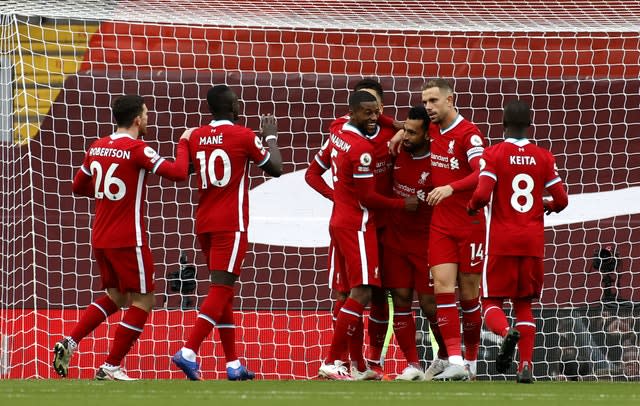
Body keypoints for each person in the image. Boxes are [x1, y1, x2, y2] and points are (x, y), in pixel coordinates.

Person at [52, 94, 192, 380]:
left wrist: (109, 196)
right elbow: (178, 173)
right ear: (137, 119)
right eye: (146, 114)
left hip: (101, 236)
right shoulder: (139, 149)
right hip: (129, 238)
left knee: (115, 296)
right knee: (144, 300)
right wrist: (184, 142)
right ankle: (111, 365)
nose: (148, 118)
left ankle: (70, 342)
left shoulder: (97, 146)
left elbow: (78, 186)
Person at [172, 84, 282, 381]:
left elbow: (191, 169)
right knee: (221, 289)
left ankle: (233, 364)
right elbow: (276, 168)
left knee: (224, 294)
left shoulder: (196, 136)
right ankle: (189, 351)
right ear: (233, 108)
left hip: (204, 222)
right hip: (231, 223)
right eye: (238, 103)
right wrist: (270, 135)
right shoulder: (244, 135)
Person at [316, 91, 418, 380]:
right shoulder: (362, 149)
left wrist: (394, 123)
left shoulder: (337, 129)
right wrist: (403, 203)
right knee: (360, 292)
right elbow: (369, 198)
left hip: (343, 220)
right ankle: (332, 361)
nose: (373, 118)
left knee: (359, 292)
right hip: (358, 224)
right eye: (367, 113)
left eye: (376, 112)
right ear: (353, 112)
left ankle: (359, 365)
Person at [467, 99, 568, 383]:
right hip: (532, 243)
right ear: (530, 125)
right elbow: (561, 199)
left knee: (489, 300)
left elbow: (484, 192)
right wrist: (548, 205)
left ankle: (504, 332)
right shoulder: (544, 157)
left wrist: (473, 206)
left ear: (502, 124)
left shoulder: (494, 154)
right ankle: (526, 366)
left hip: (501, 241)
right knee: (524, 305)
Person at [422, 78, 486, 381]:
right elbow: (398, 122)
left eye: (433, 101)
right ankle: (455, 359)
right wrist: (396, 136)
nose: (428, 107)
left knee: (470, 295)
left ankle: (471, 363)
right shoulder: (431, 129)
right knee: (442, 288)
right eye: (425, 102)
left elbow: (482, 172)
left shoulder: (469, 134)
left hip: (470, 222)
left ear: (450, 100)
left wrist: (450, 187)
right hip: (441, 224)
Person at [381, 105, 438, 381]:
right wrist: (398, 130)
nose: (406, 136)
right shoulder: (397, 151)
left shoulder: (437, 160)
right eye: (405, 130)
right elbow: (382, 120)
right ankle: (413, 365)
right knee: (401, 300)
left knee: (430, 305)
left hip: (426, 242)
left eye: (413, 133)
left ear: (428, 135)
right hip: (395, 240)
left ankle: (448, 358)